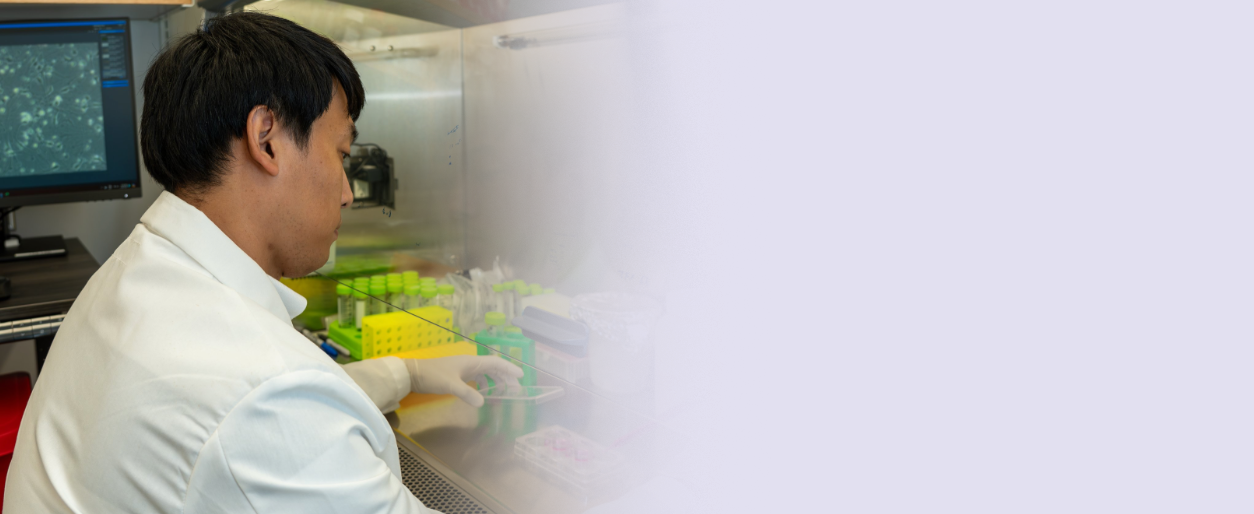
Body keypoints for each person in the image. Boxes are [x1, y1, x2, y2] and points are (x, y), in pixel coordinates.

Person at [3, 12, 521, 513]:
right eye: (341, 154)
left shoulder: (139, 272)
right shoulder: (258, 398)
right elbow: (259, 413)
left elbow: (244, 417)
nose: (346, 193)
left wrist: (404, 372)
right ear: (266, 138)